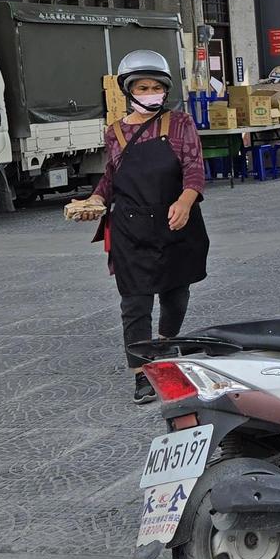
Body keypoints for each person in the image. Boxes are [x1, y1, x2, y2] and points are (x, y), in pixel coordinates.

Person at [68, 49, 207, 404]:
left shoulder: (180, 123)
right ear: (129, 91)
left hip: (175, 223)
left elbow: (194, 168)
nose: (150, 93)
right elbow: (111, 178)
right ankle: (141, 374)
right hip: (131, 229)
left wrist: (186, 201)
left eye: (156, 87)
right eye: (142, 87)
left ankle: (165, 344)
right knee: (135, 303)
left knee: (176, 294)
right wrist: (94, 201)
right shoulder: (115, 132)